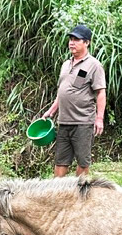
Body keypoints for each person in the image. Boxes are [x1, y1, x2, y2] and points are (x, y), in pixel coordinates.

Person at [38, 24, 107, 177]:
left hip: (83, 122)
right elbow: (62, 92)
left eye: (76, 40)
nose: (71, 43)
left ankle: (79, 190)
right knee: (60, 161)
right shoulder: (65, 64)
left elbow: (101, 92)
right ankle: (57, 190)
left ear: (87, 42)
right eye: (70, 39)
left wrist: (99, 118)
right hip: (64, 122)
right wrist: (51, 111)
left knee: (83, 161)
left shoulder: (94, 65)